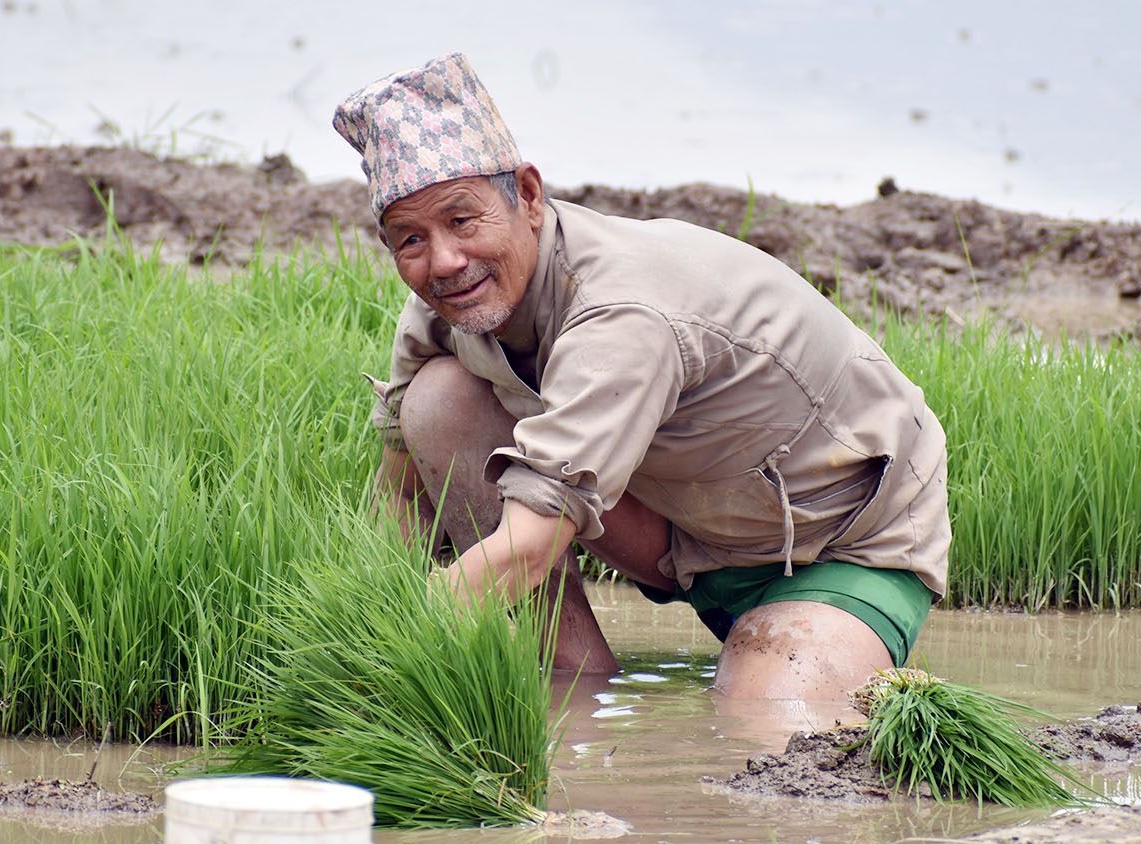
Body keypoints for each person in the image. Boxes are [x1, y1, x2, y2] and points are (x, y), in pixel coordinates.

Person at [333, 53, 950, 704]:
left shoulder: (620, 313)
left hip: (837, 540)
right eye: (411, 240)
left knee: (766, 731)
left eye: (462, 221)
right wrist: (359, 610)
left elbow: (524, 549)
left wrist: (377, 656)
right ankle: (571, 668)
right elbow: (398, 498)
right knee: (436, 402)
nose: (446, 262)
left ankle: (833, 647)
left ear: (530, 197)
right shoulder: (443, 307)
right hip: (685, 529)